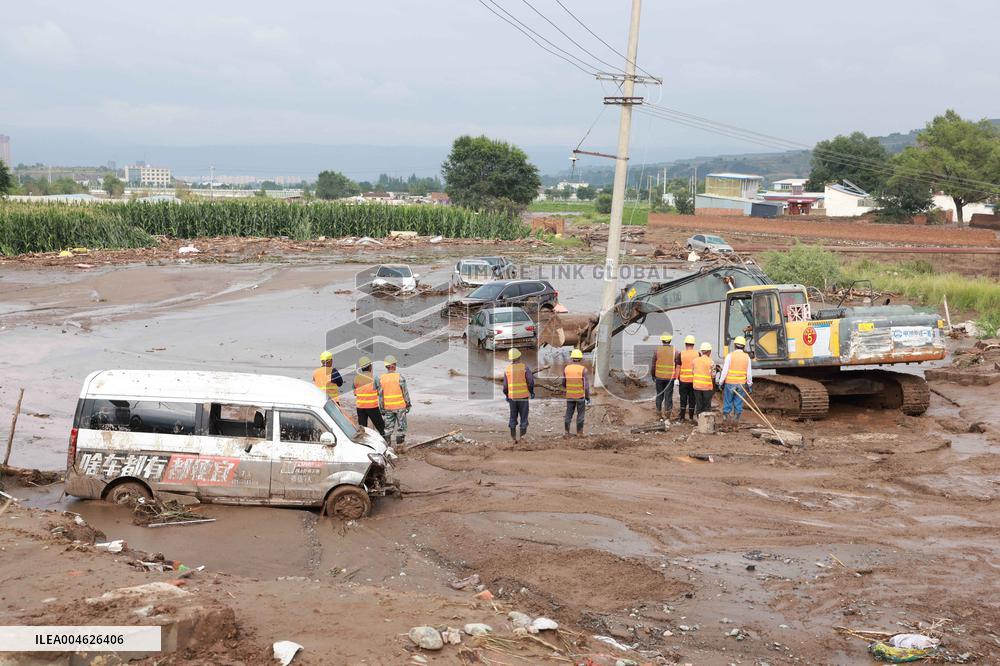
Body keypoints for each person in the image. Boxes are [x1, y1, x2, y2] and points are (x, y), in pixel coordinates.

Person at [717, 336, 753, 432]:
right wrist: (749, 384)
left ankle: (725, 425)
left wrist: (720, 382)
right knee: (738, 404)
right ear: (744, 346)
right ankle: (735, 425)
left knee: (727, 403)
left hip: (730, 384)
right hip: (741, 385)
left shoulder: (730, 356)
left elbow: (725, 371)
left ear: (734, 345)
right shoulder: (747, 357)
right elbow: (749, 373)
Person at [503, 348, 535, 443]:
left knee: (513, 417)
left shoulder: (508, 369)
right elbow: (530, 382)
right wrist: (531, 392)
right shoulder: (524, 367)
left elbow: (505, 386)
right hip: (523, 397)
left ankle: (513, 439)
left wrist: (507, 395)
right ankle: (522, 439)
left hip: (512, 398)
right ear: (519, 357)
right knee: (524, 418)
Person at [380, 355, 411, 446]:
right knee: (401, 427)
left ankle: (387, 446)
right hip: (400, 407)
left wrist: (382, 408)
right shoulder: (400, 377)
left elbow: (381, 396)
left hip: (388, 407)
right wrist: (408, 404)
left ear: (386, 366)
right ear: (394, 365)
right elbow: (405, 393)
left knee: (388, 428)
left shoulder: (382, 379)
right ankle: (400, 446)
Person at [353, 356, 385, 438]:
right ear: (370, 366)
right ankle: (386, 442)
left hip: (360, 407)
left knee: (363, 429)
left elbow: (355, 393)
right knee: (381, 427)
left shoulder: (356, 378)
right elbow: (380, 392)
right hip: (372, 407)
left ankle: (364, 443)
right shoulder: (374, 378)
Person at [563, 348, 590, 437]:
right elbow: (586, 386)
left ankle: (566, 432)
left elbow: (563, 383)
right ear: (581, 359)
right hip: (580, 396)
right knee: (580, 415)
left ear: (572, 358)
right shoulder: (583, 369)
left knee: (568, 414)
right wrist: (588, 397)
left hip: (570, 396)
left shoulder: (566, 368)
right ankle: (579, 433)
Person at [649, 333, 676, 420]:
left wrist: (653, 375)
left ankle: (658, 413)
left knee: (659, 394)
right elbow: (677, 365)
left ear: (662, 340)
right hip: (670, 378)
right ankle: (667, 415)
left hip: (659, 377)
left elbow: (653, 365)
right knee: (668, 396)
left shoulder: (657, 351)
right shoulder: (675, 351)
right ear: (670, 341)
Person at [676, 335, 698, 421]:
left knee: (683, 399)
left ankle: (682, 417)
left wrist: (676, 379)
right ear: (693, 344)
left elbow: (678, 367)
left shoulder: (681, 354)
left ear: (685, 344)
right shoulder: (698, 354)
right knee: (692, 399)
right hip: (693, 380)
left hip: (683, 380)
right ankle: (691, 417)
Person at [692, 342, 716, 417]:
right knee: (707, 406)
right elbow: (713, 375)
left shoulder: (695, 361)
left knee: (699, 404)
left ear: (701, 351)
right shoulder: (711, 362)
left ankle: (699, 422)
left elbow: (693, 372)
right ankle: (706, 423)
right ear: (709, 352)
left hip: (697, 386)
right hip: (707, 387)